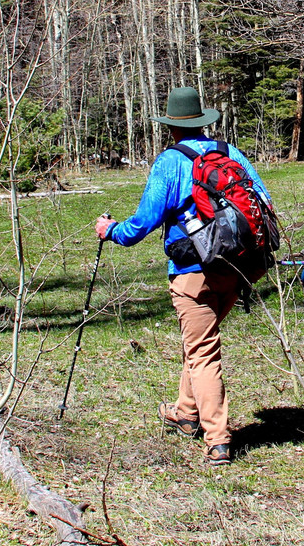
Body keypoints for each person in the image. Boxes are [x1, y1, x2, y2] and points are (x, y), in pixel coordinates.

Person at [95, 86, 272, 466]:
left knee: (203, 353)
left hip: (193, 273)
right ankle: (184, 413)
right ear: (202, 122)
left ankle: (218, 440)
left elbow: (143, 223)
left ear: (171, 126)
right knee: (198, 346)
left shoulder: (169, 162)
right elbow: (262, 200)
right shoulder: (230, 153)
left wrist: (111, 230)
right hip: (237, 268)